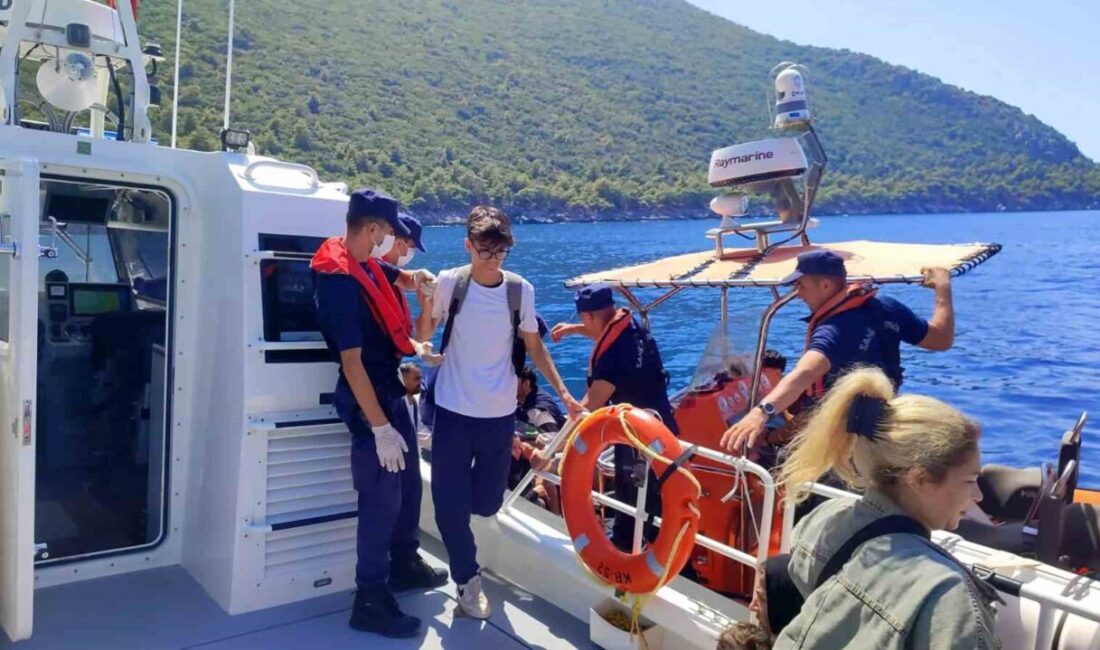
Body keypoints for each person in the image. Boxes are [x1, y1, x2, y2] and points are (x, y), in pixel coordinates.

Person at [422, 205, 582, 619]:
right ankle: (467, 577)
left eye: (500, 253)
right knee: (447, 505)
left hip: (498, 416)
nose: (492, 260)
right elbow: (424, 332)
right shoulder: (450, 282)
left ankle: (467, 550)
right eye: (484, 251)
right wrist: (424, 317)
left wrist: (564, 392)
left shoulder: (519, 291)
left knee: (487, 503)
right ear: (468, 245)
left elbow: (534, 345)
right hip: (454, 411)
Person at [770, 367, 1001, 648]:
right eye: (969, 480)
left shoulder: (823, 520)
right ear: (919, 479)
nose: (976, 495)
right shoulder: (947, 594)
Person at [310, 189, 445, 639]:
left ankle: (403, 563)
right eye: (388, 231)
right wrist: (382, 428)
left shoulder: (364, 261)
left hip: (390, 390)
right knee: (380, 499)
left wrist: (419, 279)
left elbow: (396, 279)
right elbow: (352, 364)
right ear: (372, 230)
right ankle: (369, 597)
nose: (392, 239)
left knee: (407, 485)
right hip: (369, 402)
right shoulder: (338, 281)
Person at [721, 249, 954, 457]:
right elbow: (940, 339)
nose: (797, 294)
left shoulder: (834, 329)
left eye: (800, 285)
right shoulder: (886, 307)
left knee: (770, 457)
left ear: (825, 285)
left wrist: (761, 412)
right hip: (879, 420)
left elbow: (806, 372)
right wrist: (943, 288)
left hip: (842, 439)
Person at [550, 284, 678, 551]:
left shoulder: (612, 359)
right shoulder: (632, 329)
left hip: (638, 444)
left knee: (636, 505)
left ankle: (628, 555)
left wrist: (553, 451)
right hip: (665, 428)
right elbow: (602, 329)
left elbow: (588, 407)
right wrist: (573, 329)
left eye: (582, 321)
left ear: (587, 316)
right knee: (658, 501)